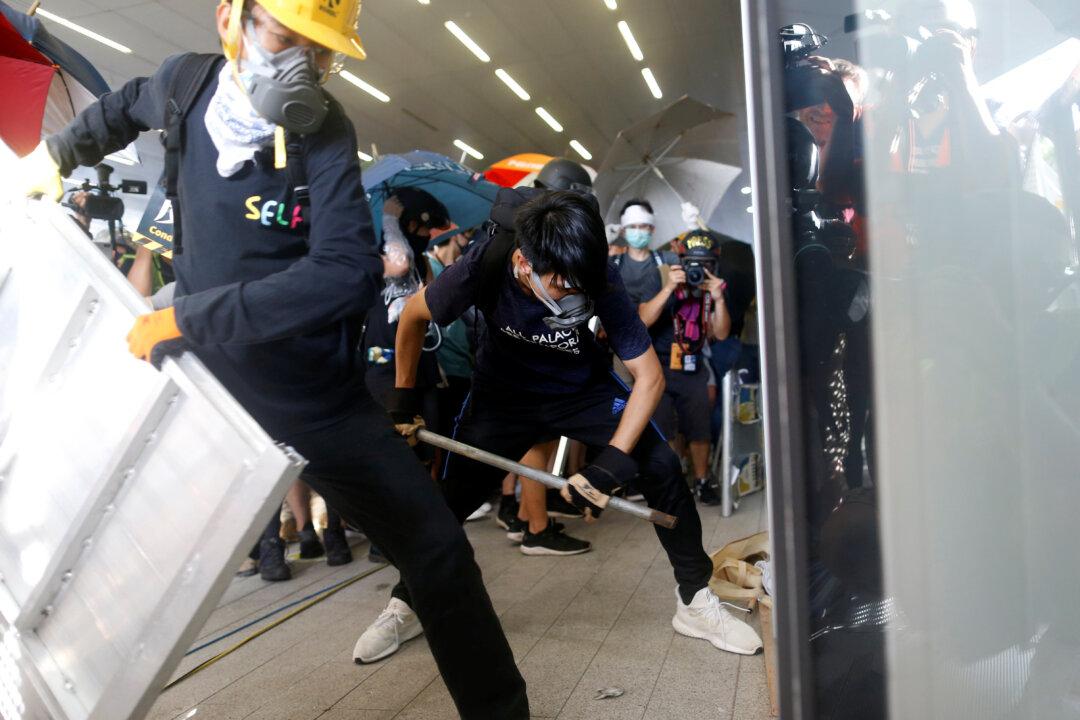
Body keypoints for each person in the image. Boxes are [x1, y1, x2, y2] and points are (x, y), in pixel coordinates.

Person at [17, 2, 527, 717]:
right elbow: (121, 108)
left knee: (438, 550)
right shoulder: (184, 86)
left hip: (308, 395)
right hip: (204, 386)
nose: (303, 69)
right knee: (101, 564)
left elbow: (343, 272)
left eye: (322, 56)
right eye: (288, 41)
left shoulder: (324, 128)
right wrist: (51, 158)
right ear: (231, 17)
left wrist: (186, 316)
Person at [353, 188, 763, 664]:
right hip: (502, 396)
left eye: (580, 285)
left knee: (662, 467)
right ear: (525, 264)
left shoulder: (597, 275)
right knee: (450, 500)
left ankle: (693, 600)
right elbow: (414, 317)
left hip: (581, 390)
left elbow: (648, 377)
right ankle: (410, 601)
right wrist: (402, 402)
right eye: (562, 285)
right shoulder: (484, 263)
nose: (574, 295)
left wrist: (610, 464)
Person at [614, 200, 731, 504]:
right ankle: (672, 481)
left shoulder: (694, 275)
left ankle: (703, 481)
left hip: (691, 362)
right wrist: (668, 287)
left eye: (701, 264)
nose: (696, 269)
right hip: (656, 362)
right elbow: (642, 319)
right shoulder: (660, 272)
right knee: (662, 428)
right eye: (633, 227)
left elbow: (720, 333)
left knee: (699, 427)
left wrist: (717, 298)